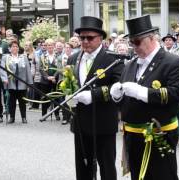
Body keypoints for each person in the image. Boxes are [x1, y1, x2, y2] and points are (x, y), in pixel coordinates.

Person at [110, 15, 179, 180]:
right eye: (131, 43)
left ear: (151, 38)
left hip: (159, 134)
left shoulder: (173, 62)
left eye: (136, 42)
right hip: (133, 135)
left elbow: (175, 94)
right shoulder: (130, 64)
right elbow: (125, 100)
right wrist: (117, 97)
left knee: (163, 175)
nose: (133, 47)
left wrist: (141, 92)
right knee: (138, 177)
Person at [67, 16, 123, 180]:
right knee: (83, 167)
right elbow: (68, 84)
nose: (85, 41)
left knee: (106, 167)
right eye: (82, 37)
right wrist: (68, 95)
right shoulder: (73, 59)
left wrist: (93, 95)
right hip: (80, 122)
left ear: (100, 38)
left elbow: (117, 88)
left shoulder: (113, 59)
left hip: (103, 122)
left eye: (89, 37)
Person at [0, 41, 33, 123]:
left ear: (18, 48)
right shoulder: (5, 57)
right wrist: (4, 79)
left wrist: (29, 82)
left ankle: (24, 117)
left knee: (22, 102)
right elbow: (2, 69)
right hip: (10, 83)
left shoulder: (23, 57)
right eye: (13, 46)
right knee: (12, 102)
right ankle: (12, 117)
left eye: (16, 46)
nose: (15, 48)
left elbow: (28, 70)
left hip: (22, 83)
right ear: (9, 48)